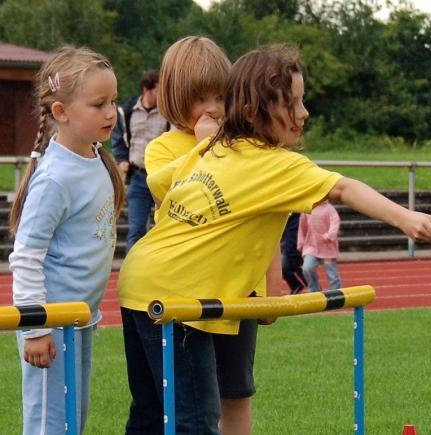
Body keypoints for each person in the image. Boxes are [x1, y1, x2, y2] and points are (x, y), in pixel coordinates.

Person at [118, 43, 431, 434]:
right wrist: (404, 217)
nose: (305, 113)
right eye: (293, 102)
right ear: (253, 111)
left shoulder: (221, 148)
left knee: (151, 419)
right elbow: (344, 189)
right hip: (174, 295)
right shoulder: (267, 162)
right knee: (194, 422)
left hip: (141, 280)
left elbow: (177, 190)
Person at [138, 36, 256, 435]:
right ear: (174, 97)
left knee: (236, 391)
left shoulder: (242, 147)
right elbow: (164, 188)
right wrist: (205, 146)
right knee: (194, 400)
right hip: (186, 290)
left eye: (221, 97)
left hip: (237, 287)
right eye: (199, 97)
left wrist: (267, 282)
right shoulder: (163, 148)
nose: (213, 108)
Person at [8, 45, 124, 434]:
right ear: (61, 112)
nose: (111, 112)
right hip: (52, 322)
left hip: (78, 320)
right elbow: (25, 256)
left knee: (72, 420)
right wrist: (36, 327)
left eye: (113, 101)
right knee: (50, 425)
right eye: (98, 104)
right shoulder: (55, 177)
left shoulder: (94, 159)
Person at [111, 70, 168, 252]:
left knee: (165, 228)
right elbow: (118, 138)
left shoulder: (168, 114)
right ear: (147, 89)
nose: (162, 94)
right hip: (138, 176)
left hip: (162, 176)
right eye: (159, 90)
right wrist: (121, 159)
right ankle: (131, 273)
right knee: (136, 230)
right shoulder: (127, 112)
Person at [298, 200, 342, 292]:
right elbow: (302, 227)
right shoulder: (308, 209)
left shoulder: (329, 209)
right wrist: (301, 243)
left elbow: (335, 223)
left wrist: (328, 236)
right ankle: (314, 289)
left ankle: (335, 293)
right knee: (307, 268)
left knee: (332, 274)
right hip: (311, 247)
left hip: (327, 248)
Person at [281, 213, 308, 294]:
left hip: (293, 245)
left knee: (295, 260)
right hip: (288, 222)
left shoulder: (296, 217)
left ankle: (311, 285)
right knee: (283, 267)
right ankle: (296, 285)